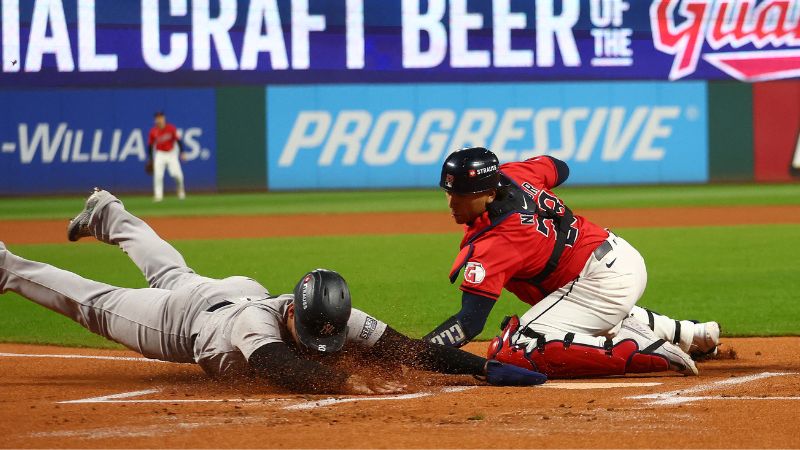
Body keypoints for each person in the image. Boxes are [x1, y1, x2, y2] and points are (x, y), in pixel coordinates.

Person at [0, 189, 545, 394]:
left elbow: (409, 348)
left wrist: (481, 369)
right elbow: (284, 367)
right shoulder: (259, 329)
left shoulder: (330, 310)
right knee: (91, 301)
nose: (321, 341)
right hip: (183, 321)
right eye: (310, 335)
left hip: (235, 289)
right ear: (293, 316)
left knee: (171, 268)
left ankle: (110, 213)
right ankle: (7, 266)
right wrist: (346, 380)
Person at [424, 147, 722, 378]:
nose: (452, 203)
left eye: (463, 195)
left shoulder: (497, 242)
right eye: (449, 192)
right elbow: (558, 167)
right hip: (615, 259)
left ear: (490, 193)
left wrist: (411, 353)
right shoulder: (515, 173)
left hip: (599, 282)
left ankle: (642, 351)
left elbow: (469, 323)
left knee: (513, 348)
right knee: (569, 305)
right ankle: (691, 334)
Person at [147, 111, 186, 202]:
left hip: (171, 154)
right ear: (155, 120)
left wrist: (182, 152)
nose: (159, 119)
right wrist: (151, 159)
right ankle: (158, 196)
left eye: (161, 117)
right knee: (158, 175)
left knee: (177, 175)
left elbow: (178, 141)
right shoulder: (153, 131)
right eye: (157, 118)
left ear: (164, 118)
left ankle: (180, 191)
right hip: (160, 154)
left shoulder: (171, 128)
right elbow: (150, 146)